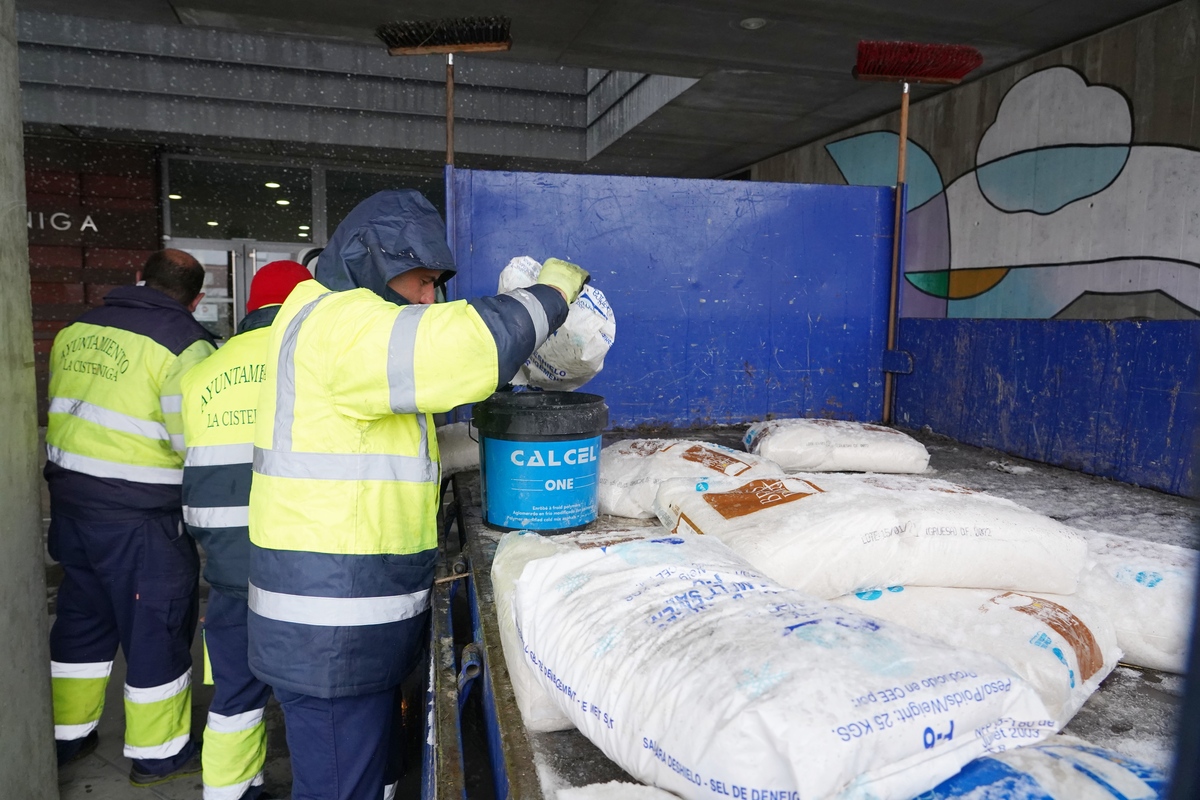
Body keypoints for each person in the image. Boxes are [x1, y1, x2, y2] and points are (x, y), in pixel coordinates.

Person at [247, 189, 589, 800]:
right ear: (374, 264)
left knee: (369, 780)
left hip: (344, 618)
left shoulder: (330, 323)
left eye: (436, 285)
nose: (430, 299)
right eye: (422, 281)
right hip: (331, 630)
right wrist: (552, 297)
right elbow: (464, 345)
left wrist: (488, 438)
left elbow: (387, 451)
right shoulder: (338, 324)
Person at [46, 248, 216, 786]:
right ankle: (160, 754)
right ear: (197, 297)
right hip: (140, 518)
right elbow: (193, 443)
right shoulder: (184, 346)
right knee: (155, 628)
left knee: (81, 621)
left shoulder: (75, 329)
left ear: (139, 278)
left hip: (72, 508)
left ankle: (66, 736)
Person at [181, 261, 314, 800]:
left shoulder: (203, 372)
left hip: (228, 566)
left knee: (235, 693)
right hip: (298, 564)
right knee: (310, 701)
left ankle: (229, 791)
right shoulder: (309, 361)